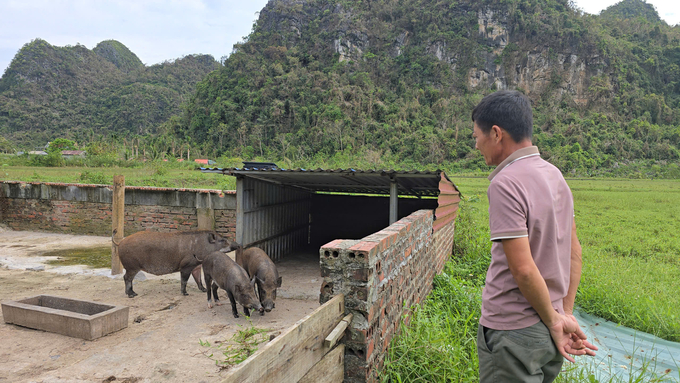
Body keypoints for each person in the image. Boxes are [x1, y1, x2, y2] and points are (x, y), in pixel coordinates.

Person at [471, 90, 597, 382]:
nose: (476, 145)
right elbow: (573, 252)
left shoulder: (505, 183)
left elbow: (524, 269)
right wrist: (563, 313)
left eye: (476, 136)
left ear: (496, 133)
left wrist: (556, 321)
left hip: (513, 331)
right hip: (549, 329)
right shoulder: (555, 175)